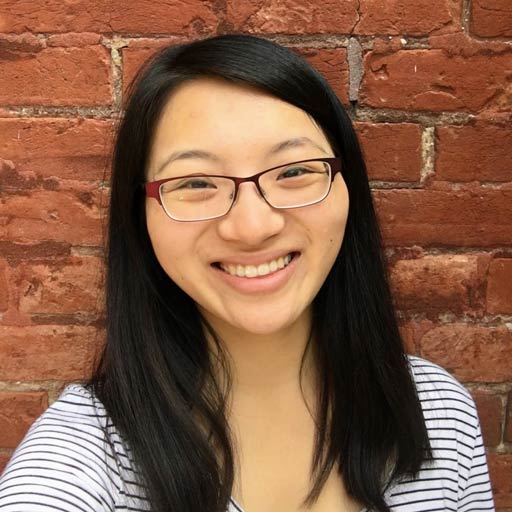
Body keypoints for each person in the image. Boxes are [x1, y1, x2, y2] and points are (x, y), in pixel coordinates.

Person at [0, 34, 495, 512]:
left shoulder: (438, 414)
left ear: (349, 188)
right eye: (196, 182)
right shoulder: (83, 460)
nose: (253, 227)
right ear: (141, 215)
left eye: (294, 171)